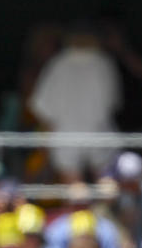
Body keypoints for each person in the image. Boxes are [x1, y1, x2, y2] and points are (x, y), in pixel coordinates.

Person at [28, 20, 122, 182]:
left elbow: (40, 106)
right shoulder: (103, 63)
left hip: (65, 134)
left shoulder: (57, 63)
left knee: (74, 186)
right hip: (98, 131)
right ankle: (103, 208)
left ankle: (83, 207)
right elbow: (113, 102)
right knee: (105, 182)